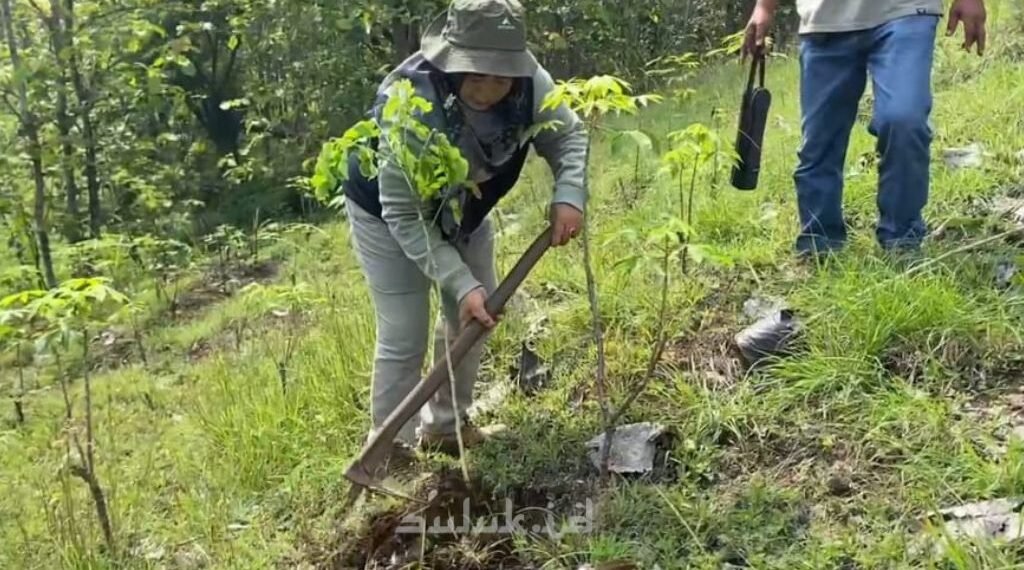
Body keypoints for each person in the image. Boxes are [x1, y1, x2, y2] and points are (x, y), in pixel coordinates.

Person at [342, 0, 588, 459]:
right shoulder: (407, 107)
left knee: (477, 313)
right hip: (389, 214)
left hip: (464, 211)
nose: (488, 89)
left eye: (500, 77)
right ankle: (386, 451)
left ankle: (445, 429)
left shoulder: (532, 83)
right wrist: (457, 279)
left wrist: (569, 193)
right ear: (450, 59)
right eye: (475, 74)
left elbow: (568, 136)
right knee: (404, 330)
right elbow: (404, 214)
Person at [743, 0, 988, 255]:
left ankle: (902, 242)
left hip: (906, 11)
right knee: (819, 141)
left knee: (904, 121)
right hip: (824, 19)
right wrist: (765, 7)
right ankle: (820, 245)